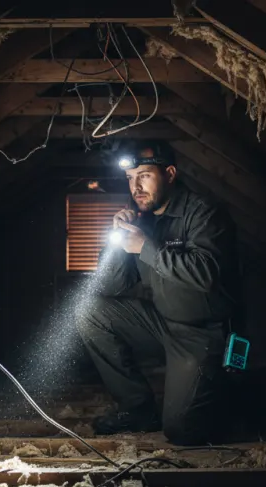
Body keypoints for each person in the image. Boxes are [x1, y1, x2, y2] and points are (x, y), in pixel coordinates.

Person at [76, 140, 247, 445]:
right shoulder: (143, 220)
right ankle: (138, 410)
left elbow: (206, 274)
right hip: (162, 323)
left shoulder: (204, 214)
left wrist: (145, 247)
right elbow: (111, 287)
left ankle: (236, 394)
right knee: (90, 310)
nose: (135, 187)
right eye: (130, 179)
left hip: (203, 335)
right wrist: (119, 244)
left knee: (182, 431)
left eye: (144, 175)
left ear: (169, 174)